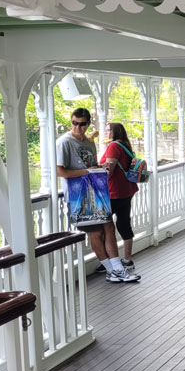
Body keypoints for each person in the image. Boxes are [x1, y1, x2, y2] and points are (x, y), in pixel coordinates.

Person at [56, 108, 139, 283]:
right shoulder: (64, 142)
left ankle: (117, 269)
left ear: (87, 124)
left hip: (96, 193)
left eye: (82, 124)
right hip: (78, 196)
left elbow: (93, 165)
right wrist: (87, 171)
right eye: (74, 123)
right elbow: (60, 171)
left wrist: (97, 170)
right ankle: (112, 270)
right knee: (95, 233)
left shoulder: (88, 142)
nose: (78, 127)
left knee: (109, 228)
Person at [100, 122, 140, 277]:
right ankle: (127, 259)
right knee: (123, 223)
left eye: (108, 130)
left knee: (105, 227)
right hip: (127, 190)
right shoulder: (125, 145)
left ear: (115, 132)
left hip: (114, 191)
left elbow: (109, 169)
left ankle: (109, 261)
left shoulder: (113, 146)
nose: (105, 132)